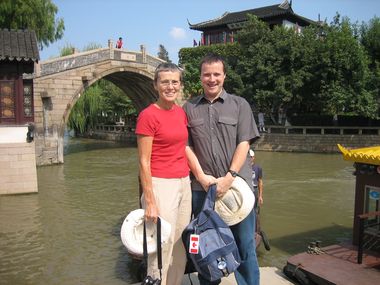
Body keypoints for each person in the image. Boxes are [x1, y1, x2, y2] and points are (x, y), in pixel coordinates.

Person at [183, 53, 260, 285]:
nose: (212, 79)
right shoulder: (189, 108)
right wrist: (201, 177)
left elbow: (244, 143)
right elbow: (186, 146)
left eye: (217, 74)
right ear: (200, 77)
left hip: (237, 189)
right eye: (207, 74)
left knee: (245, 244)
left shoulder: (240, 105)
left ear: (224, 76)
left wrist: (230, 177)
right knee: (207, 244)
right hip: (202, 190)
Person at [135, 63, 191, 285]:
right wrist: (149, 200)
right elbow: (143, 161)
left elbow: (184, 148)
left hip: (183, 182)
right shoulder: (148, 115)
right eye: (165, 82)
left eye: (174, 82)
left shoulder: (180, 113)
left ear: (180, 85)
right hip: (160, 184)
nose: (170, 86)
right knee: (160, 245)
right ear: (155, 85)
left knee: (179, 243)